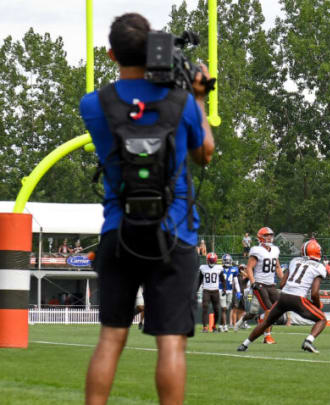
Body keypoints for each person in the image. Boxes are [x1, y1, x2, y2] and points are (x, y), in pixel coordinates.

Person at [82, 12, 214, 405]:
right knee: (171, 343)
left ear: (110, 54)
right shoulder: (183, 102)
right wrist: (199, 97)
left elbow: (129, 107)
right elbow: (204, 153)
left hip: (118, 231)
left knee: (111, 336)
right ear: (159, 50)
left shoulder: (93, 104)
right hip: (174, 233)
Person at [237, 240, 327, 353]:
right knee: (322, 319)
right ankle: (308, 341)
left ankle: (245, 344)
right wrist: (317, 305)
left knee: (266, 322)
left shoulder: (295, 261)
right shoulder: (319, 267)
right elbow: (314, 293)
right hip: (298, 299)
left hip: (283, 297)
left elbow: (282, 284)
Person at [246, 227, 284, 344]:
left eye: (270, 235)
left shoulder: (275, 250)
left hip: (271, 284)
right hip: (260, 284)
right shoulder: (256, 250)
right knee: (269, 309)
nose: (269, 237)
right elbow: (249, 268)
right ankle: (267, 336)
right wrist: (253, 282)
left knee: (280, 307)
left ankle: (262, 319)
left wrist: (284, 281)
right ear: (261, 237)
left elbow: (277, 267)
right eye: (267, 235)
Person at [199, 252, 225, 332]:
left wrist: (224, 288)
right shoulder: (203, 268)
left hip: (215, 291)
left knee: (217, 309)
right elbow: (199, 280)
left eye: (212, 260)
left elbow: (223, 280)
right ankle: (205, 327)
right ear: (207, 260)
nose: (211, 262)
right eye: (211, 260)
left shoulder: (219, 268)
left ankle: (213, 326)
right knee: (205, 308)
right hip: (206, 290)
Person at [220, 254, 238, 332]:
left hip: (230, 291)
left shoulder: (234, 269)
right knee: (224, 308)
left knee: (226, 309)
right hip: (221, 290)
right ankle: (225, 326)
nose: (227, 262)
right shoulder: (219, 269)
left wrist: (239, 291)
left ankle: (221, 325)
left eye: (228, 260)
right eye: (225, 260)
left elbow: (236, 282)